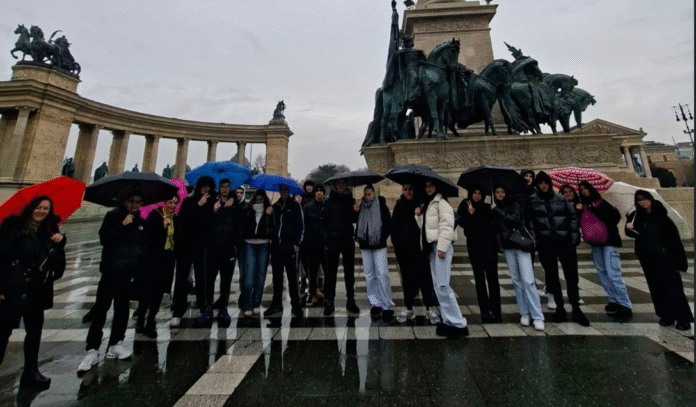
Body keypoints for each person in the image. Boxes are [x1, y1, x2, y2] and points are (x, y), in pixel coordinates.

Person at [0, 196, 66, 389]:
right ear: (30, 208)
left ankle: (31, 372)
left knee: (34, 333)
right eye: (38, 207)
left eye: (46, 208)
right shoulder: (14, 228)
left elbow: (58, 268)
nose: (42, 211)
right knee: (2, 332)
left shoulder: (50, 232)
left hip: (37, 291)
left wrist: (59, 245)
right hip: (14, 289)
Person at [79, 192, 148, 372]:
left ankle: (116, 342)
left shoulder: (141, 220)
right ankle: (92, 348)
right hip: (110, 270)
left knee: (122, 309)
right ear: (125, 201)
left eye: (138, 201)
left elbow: (142, 245)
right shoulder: (113, 216)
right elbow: (105, 239)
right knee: (101, 309)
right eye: (131, 201)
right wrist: (121, 226)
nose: (135, 204)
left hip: (128, 271)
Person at [527, 172, 589, 326]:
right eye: (540, 183)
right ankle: (560, 307)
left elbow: (573, 217)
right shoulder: (532, 201)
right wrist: (536, 239)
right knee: (552, 277)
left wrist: (574, 239)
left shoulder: (560, 199)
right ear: (537, 185)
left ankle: (576, 308)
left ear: (549, 184)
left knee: (571, 276)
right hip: (546, 243)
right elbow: (530, 222)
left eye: (545, 183)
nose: (543, 186)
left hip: (564, 242)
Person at [626, 190, 691, 329]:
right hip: (648, 258)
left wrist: (678, 260)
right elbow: (633, 234)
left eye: (645, 199)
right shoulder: (636, 216)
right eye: (639, 200)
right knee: (656, 288)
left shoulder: (662, 216)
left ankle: (683, 318)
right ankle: (666, 315)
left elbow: (675, 240)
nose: (643, 202)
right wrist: (629, 227)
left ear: (651, 199)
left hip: (665, 258)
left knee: (673, 287)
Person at [416, 180, 468, 337]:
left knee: (443, 286)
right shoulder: (429, 204)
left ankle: (458, 322)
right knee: (438, 286)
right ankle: (447, 320)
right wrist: (418, 216)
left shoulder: (442, 203)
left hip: (440, 247)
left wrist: (442, 247)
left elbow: (447, 225)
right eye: (426, 186)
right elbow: (427, 228)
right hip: (432, 247)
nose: (428, 188)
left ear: (437, 187)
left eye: (431, 186)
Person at [492, 186, 545, 331]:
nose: (500, 194)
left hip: (520, 244)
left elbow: (515, 219)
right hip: (507, 247)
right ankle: (524, 313)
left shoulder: (513, 204)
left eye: (502, 191)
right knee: (516, 281)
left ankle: (538, 316)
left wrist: (497, 210)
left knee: (528, 281)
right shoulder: (493, 208)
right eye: (497, 192)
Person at [170, 176, 215, 328]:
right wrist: (198, 205)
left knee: (202, 279)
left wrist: (209, 208)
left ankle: (203, 307)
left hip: (202, 246)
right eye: (203, 186)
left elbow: (208, 222)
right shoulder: (189, 201)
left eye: (208, 186)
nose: (206, 189)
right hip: (185, 245)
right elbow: (183, 218)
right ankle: (177, 311)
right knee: (181, 279)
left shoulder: (212, 203)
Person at [391, 183, 439, 324]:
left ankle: (429, 308)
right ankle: (408, 307)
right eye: (405, 189)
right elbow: (394, 228)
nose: (408, 192)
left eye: (410, 189)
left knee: (425, 280)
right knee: (407, 280)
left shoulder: (422, 204)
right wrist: (397, 248)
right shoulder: (399, 205)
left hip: (420, 250)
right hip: (404, 251)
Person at [457, 184, 501, 323]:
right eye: (475, 193)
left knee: (493, 280)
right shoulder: (465, 205)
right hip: (475, 248)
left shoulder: (487, 207)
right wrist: (470, 214)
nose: (477, 196)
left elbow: (495, 225)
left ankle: (496, 310)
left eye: (479, 193)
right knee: (480, 280)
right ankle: (485, 311)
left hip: (490, 248)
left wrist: (495, 210)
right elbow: (462, 223)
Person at [137, 194, 179, 338]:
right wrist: (162, 227)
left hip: (168, 258)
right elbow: (147, 236)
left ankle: (151, 320)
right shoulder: (155, 215)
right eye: (170, 202)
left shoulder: (176, 218)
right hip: (153, 258)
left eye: (175, 203)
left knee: (159, 290)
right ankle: (140, 319)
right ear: (164, 202)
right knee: (147, 290)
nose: (172, 205)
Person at [206, 179, 243, 327]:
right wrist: (213, 211)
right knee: (209, 280)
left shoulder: (235, 206)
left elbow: (240, 226)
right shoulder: (211, 203)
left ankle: (223, 308)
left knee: (226, 281)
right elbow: (204, 223)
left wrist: (235, 245)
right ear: (219, 188)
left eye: (227, 187)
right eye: (222, 187)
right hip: (212, 248)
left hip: (228, 249)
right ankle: (208, 307)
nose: (225, 189)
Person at [321, 179, 360, 316]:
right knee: (330, 272)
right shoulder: (328, 201)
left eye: (343, 183)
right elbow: (323, 221)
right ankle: (329, 300)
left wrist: (356, 211)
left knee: (349, 271)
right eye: (338, 183)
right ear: (335, 185)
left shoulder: (351, 200)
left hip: (347, 238)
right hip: (332, 240)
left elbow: (354, 219)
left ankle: (351, 299)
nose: (341, 186)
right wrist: (326, 238)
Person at [355, 184, 394, 319]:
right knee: (369, 275)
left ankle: (387, 304)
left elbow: (388, 222)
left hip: (379, 244)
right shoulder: (360, 206)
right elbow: (356, 221)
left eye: (369, 194)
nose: (367, 197)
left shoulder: (381, 205)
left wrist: (382, 237)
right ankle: (375, 303)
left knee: (382, 274)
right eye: (365, 194)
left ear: (374, 194)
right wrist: (355, 211)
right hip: (365, 245)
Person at [265, 184, 304, 318]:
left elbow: (300, 225)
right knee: (277, 278)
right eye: (282, 190)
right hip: (276, 247)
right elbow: (269, 226)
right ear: (279, 191)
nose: (284, 192)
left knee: (292, 277)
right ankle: (276, 303)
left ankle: (296, 304)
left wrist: (297, 243)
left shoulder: (295, 206)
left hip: (290, 247)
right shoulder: (275, 206)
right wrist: (268, 215)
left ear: (289, 191)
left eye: (286, 190)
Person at [240, 190, 274, 317]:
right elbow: (243, 227)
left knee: (260, 277)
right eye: (257, 199)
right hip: (249, 244)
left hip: (264, 244)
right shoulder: (247, 211)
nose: (259, 202)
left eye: (261, 200)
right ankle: (247, 305)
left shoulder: (269, 212)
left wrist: (269, 215)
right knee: (248, 277)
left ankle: (256, 304)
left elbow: (272, 228)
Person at [302, 184, 328, 306]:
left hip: (325, 244)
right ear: (314, 193)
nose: (319, 193)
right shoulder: (308, 207)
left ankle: (327, 293)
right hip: (312, 244)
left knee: (328, 270)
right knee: (312, 271)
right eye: (317, 191)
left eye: (321, 191)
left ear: (323, 193)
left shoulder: (327, 206)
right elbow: (304, 226)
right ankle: (312, 293)